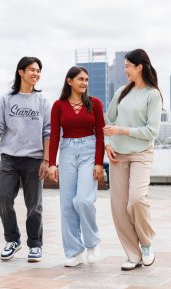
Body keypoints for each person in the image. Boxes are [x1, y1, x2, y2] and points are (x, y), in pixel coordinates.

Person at [0, 56, 50, 263]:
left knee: (34, 204)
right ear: (20, 72)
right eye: (32, 70)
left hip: (34, 159)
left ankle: (35, 244)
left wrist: (47, 160)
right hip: (9, 158)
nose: (36, 74)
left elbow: (48, 132)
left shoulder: (43, 101)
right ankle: (12, 240)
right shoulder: (6, 100)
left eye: (38, 70)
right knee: (3, 197)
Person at [103, 49, 162, 271]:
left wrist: (122, 130)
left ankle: (146, 243)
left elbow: (151, 131)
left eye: (128, 65)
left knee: (136, 200)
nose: (124, 69)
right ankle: (132, 254)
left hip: (141, 153)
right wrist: (108, 143)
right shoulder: (121, 92)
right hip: (118, 154)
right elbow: (109, 120)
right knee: (118, 207)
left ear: (140, 67)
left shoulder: (153, 95)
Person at [48, 66, 105, 267]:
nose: (84, 83)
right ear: (69, 81)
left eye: (86, 80)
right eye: (80, 79)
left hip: (89, 151)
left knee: (83, 200)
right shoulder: (58, 106)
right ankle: (74, 251)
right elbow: (55, 134)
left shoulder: (95, 104)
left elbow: (101, 133)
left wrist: (99, 162)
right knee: (66, 205)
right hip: (67, 153)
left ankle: (92, 242)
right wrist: (52, 163)